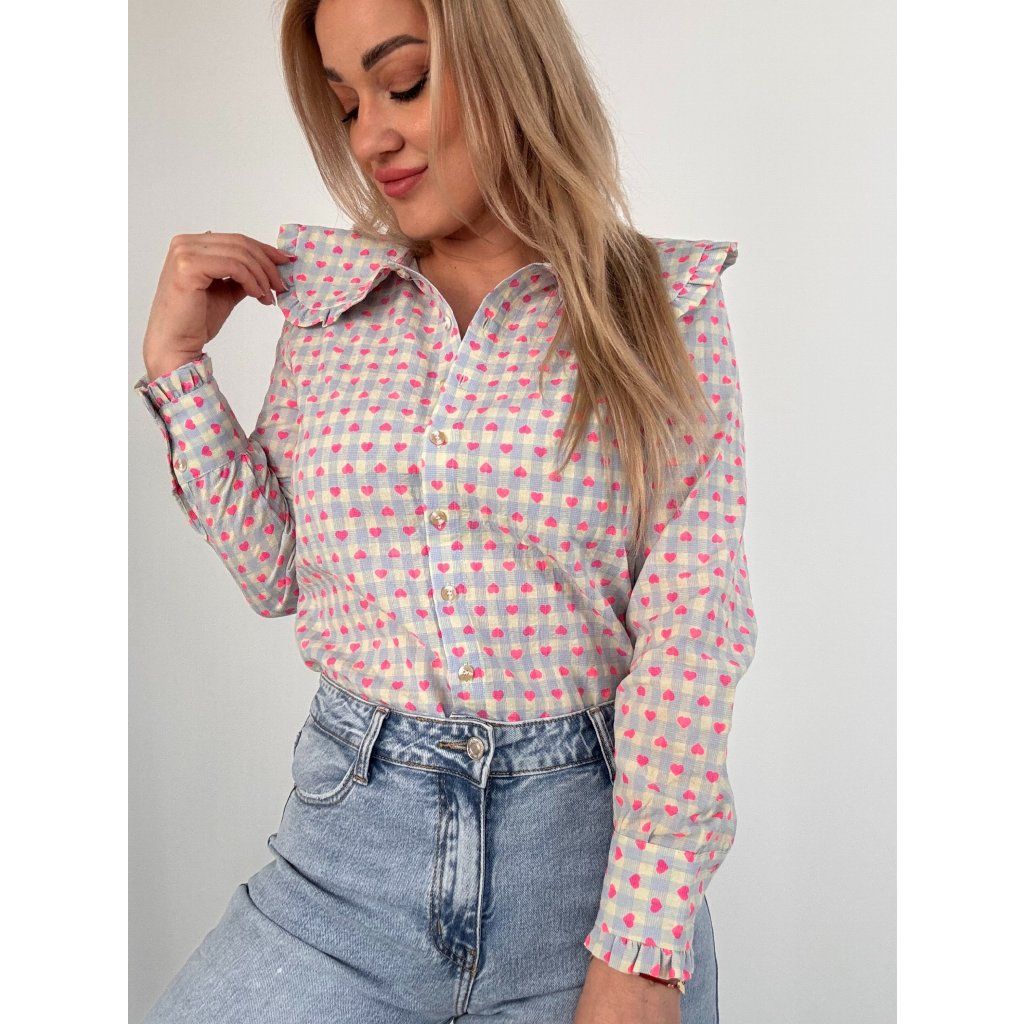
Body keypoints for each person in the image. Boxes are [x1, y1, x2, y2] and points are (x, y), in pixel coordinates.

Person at [133, 1, 757, 1021]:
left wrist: (642, 945)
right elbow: (279, 573)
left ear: (507, 61)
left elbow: (692, 633)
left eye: (404, 83)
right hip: (345, 872)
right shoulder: (334, 305)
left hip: (584, 881)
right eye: (345, 105)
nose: (369, 136)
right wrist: (178, 367)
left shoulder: (661, 308)